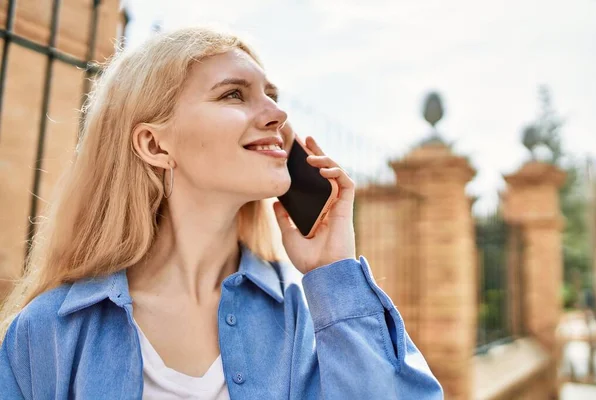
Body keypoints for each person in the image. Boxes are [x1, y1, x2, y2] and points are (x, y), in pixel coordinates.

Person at [0, 26, 443, 399]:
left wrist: (334, 269)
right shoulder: (47, 333)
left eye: (270, 95)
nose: (277, 113)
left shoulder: (310, 317)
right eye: (234, 94)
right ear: (155, 145)